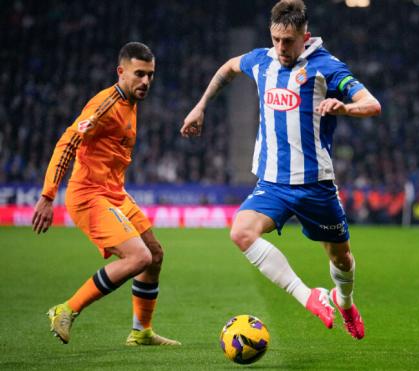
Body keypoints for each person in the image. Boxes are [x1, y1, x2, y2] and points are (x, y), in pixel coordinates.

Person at [180, 0, 380, 340]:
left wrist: (344, 107)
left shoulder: (327, 67)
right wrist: (200, 107)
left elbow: (372, 104)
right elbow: (228, 68)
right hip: (272, 182)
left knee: (342, 258)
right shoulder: (261, 60)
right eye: (275, 39)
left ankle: (344, 302)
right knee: (241, 232)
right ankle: (309, 296)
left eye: (288, 41)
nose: (281, 47)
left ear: (306, 36)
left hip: (315, 184)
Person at [32, 42, 180, 346]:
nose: (146, 81)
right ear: (120, 71)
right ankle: (66, 309)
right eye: (139, 74)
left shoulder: (131, 104)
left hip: (115, 193)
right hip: (89, 194)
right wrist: (47, 196)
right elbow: (67, 143)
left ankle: (141, 331)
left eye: (150, 75)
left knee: (155, 256)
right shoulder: (105, 104)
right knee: (139, 257)